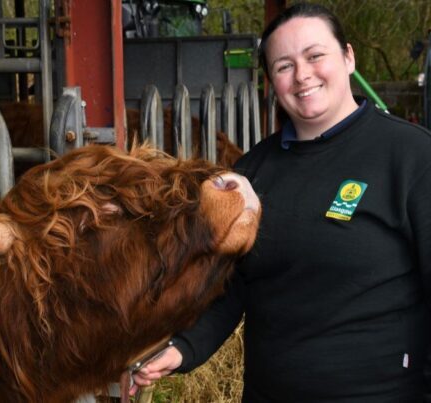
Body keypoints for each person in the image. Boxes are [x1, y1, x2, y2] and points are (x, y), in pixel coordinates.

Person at [131, 2, 431, 402]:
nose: (302, 75)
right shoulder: (252, 172)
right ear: (271, 81)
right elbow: (232, 285)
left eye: (315, 56)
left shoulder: (410, 156)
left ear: (347, 57)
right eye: (284, 66)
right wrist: (183, 348)